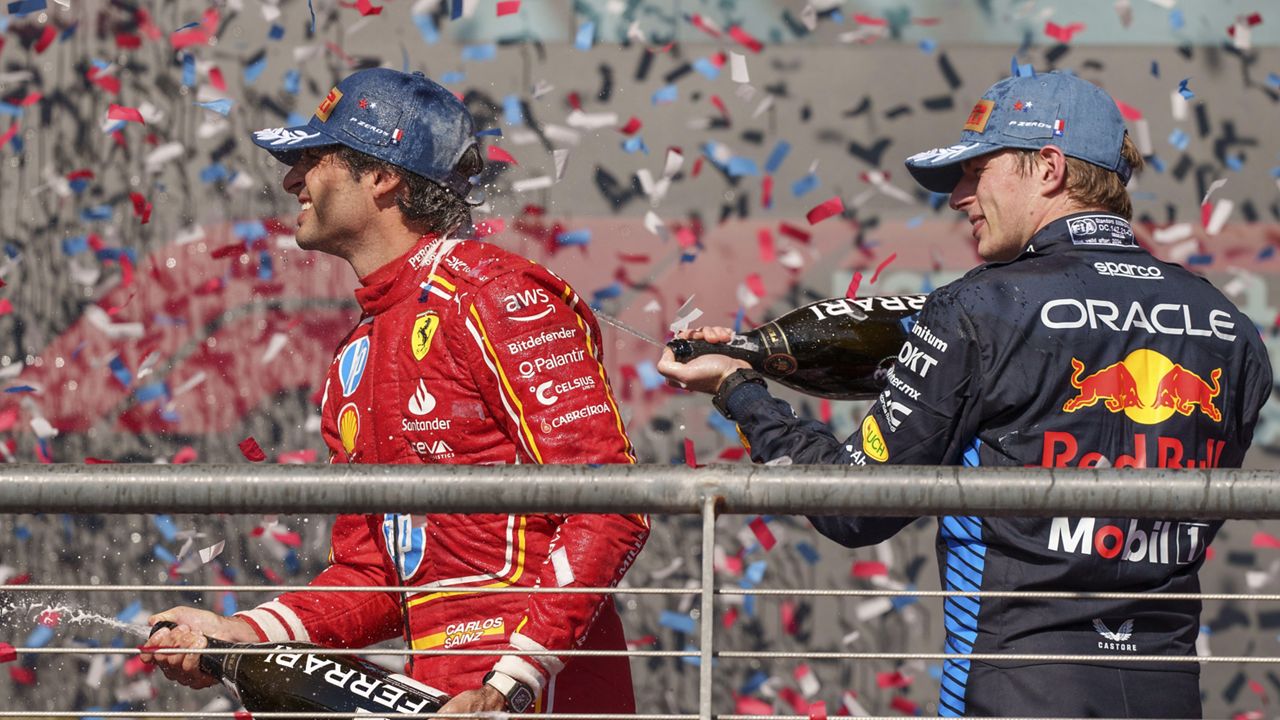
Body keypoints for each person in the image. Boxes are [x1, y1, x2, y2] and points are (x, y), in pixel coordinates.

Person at [658, 70, 1272, 718]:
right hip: (1169, 696)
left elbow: (851, 507)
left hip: (1013, 693)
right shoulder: (1230, 327)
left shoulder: (980, 308)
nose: (959, 196)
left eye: (977, 171)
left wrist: (738, 388)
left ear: (1049, 168)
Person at [141, 68, 649, 715]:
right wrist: (243, 633)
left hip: (538, 687)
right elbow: (375, 575)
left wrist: (512, 684)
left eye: (312, 160)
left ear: (382, 175)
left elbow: (612, 502)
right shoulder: (357, 352)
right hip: (435, 691)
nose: (291, 180)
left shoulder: (495, 292)